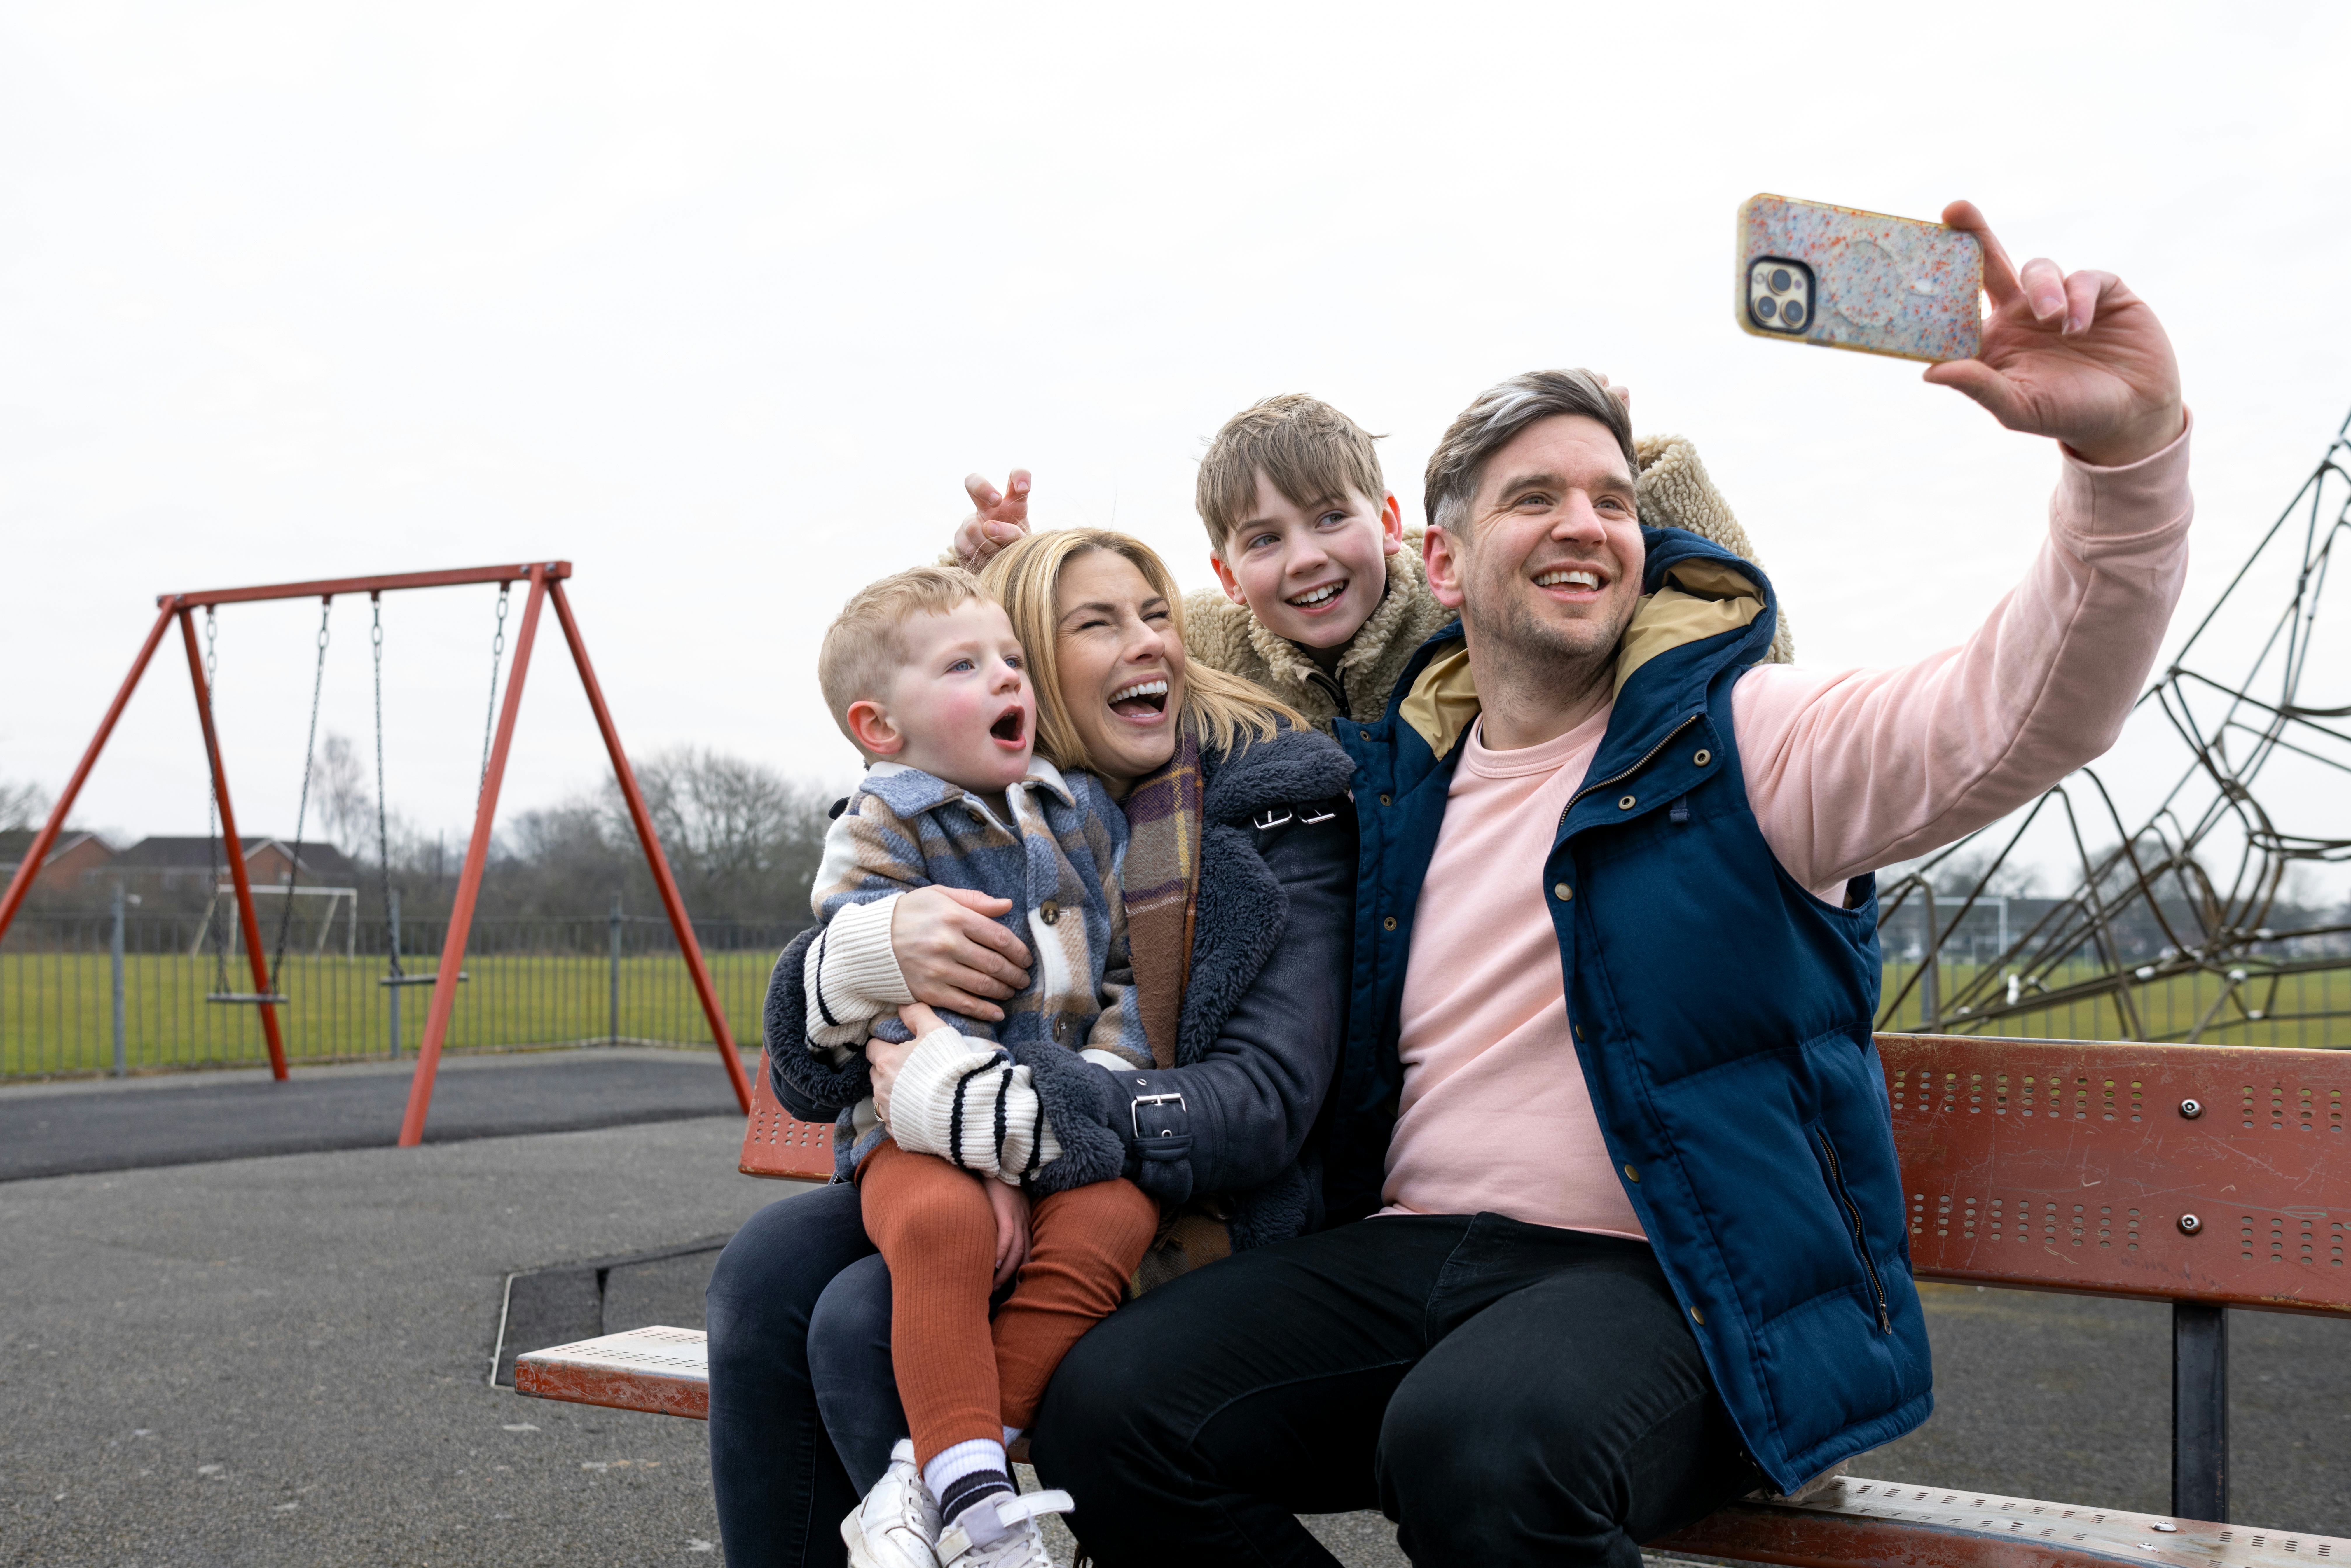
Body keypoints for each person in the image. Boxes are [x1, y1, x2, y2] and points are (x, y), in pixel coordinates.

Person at [1021, 202, 2195, 1565]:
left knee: (1477, 1442)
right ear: (1442, 566)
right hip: (1414, 1253)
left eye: (1612, 500)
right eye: (1534, 498)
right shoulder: (1390, 786)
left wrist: (2124, 459)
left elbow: (2023, 708)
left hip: (1674, 1277)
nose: (1585, 524)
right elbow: (1170, 667)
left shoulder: (1753, 738)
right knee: (1104, 1412)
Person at [706, 529, 1357, 1568]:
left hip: (1164, 1172)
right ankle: (946, 1503)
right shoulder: (974, 798)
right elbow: (805, 1067)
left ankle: (961, 1499)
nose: (1146, 643)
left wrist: (1019, 1133)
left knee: (856, 1318)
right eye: (1093, 624)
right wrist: (856, 958)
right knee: (766, 1268)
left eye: (1157, 616)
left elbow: (1262, 1098)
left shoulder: (1238, 797)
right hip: (961, 1138)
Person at [787, 564, 1162, 1566]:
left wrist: (1103, 1093)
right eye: (966, 665)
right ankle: (988, 1517)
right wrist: (983, 1166)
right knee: (947, 1226)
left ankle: (949, 1476)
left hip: (1066, 1126)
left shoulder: (1079, 809)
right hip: (914, 1129)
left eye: (1010, 659)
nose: (1009, 679)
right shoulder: (881, 823)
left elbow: (1126, 974)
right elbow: (885, 1003)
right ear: (880, 727)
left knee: (1119, 1216)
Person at [951, 388, 1791, 736]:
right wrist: (1001, 581)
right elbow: (1063, 676)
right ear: (1224, 576)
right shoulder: (1195, 645)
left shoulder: (1473, 607)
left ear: (1392, 522)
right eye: (1264, 539)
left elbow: (1755, 650)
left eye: (1329, 519)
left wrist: (1627, 478)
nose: (1307, 559)